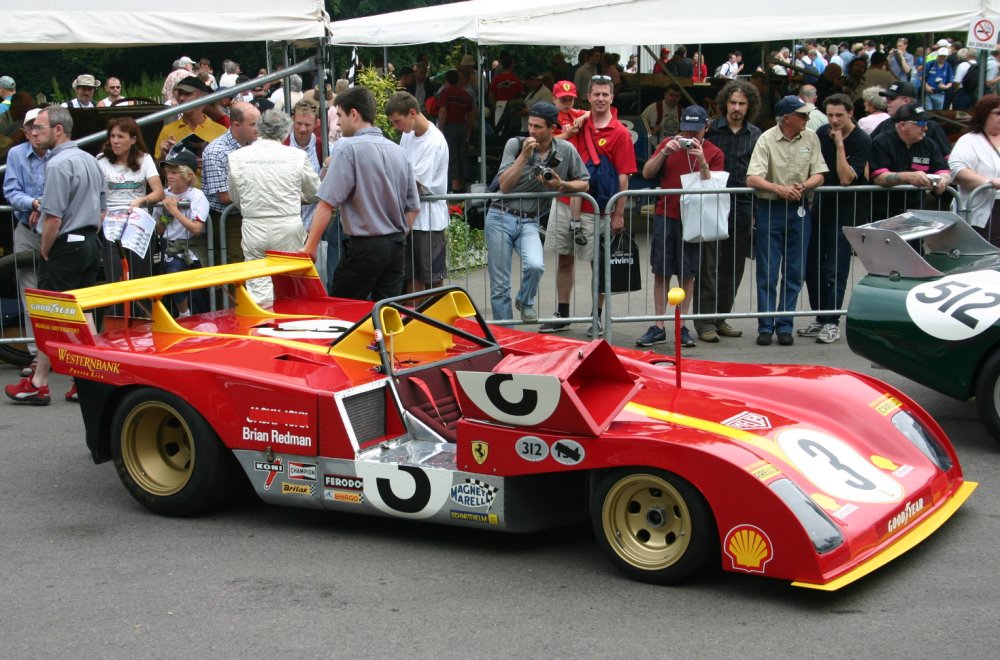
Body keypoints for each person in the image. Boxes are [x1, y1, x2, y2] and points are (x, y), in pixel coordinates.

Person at [5, 107, 104, 406]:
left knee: (49, 316)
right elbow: (102, 208)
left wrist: (46, 248)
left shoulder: (58, 164)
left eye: (41, 127)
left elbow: (52, 218)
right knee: (83, 314)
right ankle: (85, 379)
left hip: (66, 245)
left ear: (58, 130)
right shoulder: (89, 159)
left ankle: (40, 383)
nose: (35, 132)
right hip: (90, 242)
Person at [303, 86, 420, 301]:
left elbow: (327, 203)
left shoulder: (347, 148)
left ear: (354, 114)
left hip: (365, 247)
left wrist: (310, 247)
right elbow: (413, 208)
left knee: (342, 312)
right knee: (387, 317)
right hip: (395, 246)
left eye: (339, 115)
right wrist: (395, 237)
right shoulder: (399, 151)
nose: (337, 122)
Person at [539, 76, 635, 334]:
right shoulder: (576, 124)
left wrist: (619, 213)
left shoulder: (621, 133)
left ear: (612, 97)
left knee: (599, 265)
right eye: (596, 94)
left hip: (598, 208)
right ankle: (562, 313)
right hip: (565, 201)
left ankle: (598, 316)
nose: (601, 98)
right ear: (589, 97)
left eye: (605, 94)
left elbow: (624, 176)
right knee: (564, 259)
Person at [487, 102, 589, 322]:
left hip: (529, 221)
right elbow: (504, 186)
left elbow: (585, 183)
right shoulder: (515, 144)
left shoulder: (565, 150)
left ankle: (525, 301)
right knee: (500, 285)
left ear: (553, 128)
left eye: (538, 127)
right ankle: (506, 337)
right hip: (500, 215)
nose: (531, 130)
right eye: (530, 125)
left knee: (535, 265)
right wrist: (523, 157)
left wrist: (562, 184)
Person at [635, 105, 724, 349]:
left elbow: (714, 188)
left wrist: (702, 161)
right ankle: (659, 325)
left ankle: (682, 325)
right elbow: (647, 172)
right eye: (686, 131)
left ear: (706, 128)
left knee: (688, 273)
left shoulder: (714, 152)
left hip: (693, 218)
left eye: (695, 132)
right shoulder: (668, 145)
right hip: (666, 214)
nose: (690, 137)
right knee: (661, 271)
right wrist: (664, 152)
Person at [746, 95, 828, 346]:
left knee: (795, 270)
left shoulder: (811, 137)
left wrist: (802, 186)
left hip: (799, 207)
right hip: (770, 207)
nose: (806, 118)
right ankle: (765, 324)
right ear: (787, 118)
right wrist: (779, 189)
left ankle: (785, 324)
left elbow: (820, 174)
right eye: (802, 115)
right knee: (768, 270)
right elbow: (752, 178)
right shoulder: (766, 138)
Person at [693, 79, 762, 343]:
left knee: (733, 268)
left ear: (749, 106)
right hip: (712, 204)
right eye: (732, 102)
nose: (736, 108)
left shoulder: (756, 134)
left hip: (742, 207)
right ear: (724, 103)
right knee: (708, 266)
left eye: (741, 103)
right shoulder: (710, 130)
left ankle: (721, 318)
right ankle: (704, 322)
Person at [228, 110, 320, 303]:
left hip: (254, 225)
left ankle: (262, 324)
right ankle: (292, 325)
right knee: (292, 283)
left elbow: (236, 197)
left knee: (258, 285)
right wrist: (297, 198)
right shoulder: (296, 155)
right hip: (287, 224)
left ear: (259, 129)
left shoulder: (237, 157)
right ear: (286, 132)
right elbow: (314, 192)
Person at [800, 93, 871, 344]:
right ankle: (820, 317)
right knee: (813, 266)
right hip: (822, 208)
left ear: (851, 113)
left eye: (839, 115)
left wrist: (840, 144)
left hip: (848, 212)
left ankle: (832, 322)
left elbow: (845, 178)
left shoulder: (862, 140)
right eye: (830, 115)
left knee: (836, 269)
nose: (834, 120)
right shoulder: (821, 133)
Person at [386, 92, 450, 293]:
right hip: (412, 218)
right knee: (411, 278)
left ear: (412, 113)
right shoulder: (407, 135)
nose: (397, 127)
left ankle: (435, 320)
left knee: (431, 279)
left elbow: (415, 183)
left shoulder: (434, 141)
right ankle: (414, 320)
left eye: (398, 121)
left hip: (429, 221)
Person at [3, 108, 50, 373]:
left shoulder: (61, 153)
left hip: (57, 229)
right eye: (29, 127)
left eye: (38, 127)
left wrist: (44, 206)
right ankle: (36, 354)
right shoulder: (16, 153)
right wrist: (33, 203)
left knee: (59, 290)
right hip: (26, 228)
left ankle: (63, 352)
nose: (33, 132)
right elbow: (11, 191)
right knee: (30, 291)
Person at [97, 116, 165, 289]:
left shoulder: (145, 159)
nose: (115, 141)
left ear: (133, 139)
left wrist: (143, 200)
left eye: (121, 137)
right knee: (116, 277)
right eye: (112, 136)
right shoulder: (101, 160)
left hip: (137, 222)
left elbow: (159, 192)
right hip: (111, 224)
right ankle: (119, 315)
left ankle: (142, 314)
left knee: (140, 277)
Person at [201, 101, 260, 264]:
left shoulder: (259, 144)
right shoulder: (216, 151)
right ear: (236, 125)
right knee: (236, 264)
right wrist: (261, 190)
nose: (258, 129)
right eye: (253, 124)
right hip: (226, 219)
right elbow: (225, 196)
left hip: (253, 215)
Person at [153, 148, 210, 317]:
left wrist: (175, 211)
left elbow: (197, 228)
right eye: (168, 172)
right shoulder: (164, 195)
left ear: (188, 175)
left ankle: (200, 322)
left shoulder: (197, 195)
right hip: (171, 247)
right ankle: (184, 313)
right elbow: (159, 229)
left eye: (175, 172)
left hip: (194, 249)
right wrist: (167, 214)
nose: (170, 176)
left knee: (198, 294)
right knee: (173, 274)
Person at [870, 102, 951, 219]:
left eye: (926, 123)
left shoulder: (929, 145)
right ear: (903, 125)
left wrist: (942, 180)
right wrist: (910, 177)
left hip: (917, 213)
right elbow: (879, 177)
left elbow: (944, 171)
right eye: (921, 123)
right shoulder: (882, 142)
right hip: (885, 212)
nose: (926, 128)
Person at [950, 94, 1000, 247]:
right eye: (998, 113)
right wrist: (988, 183)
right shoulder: (969, 140)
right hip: (981, 210)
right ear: (984, 114)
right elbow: (958, 171)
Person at [153, 76, 227, 163]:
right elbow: (157, 173)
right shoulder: (168, 130)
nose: (181, 98)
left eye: (187, 94)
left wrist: (208, 164)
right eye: (180, 94)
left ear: (203, 97)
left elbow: (230, 167)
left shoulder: (221, 131)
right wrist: (162, 156)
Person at [436, 69, 475, 193]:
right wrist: (468, 130)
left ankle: (454, 188)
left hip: (450, 127)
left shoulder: (445, 92)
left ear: (446, 80)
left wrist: (440, 130)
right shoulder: (465, 94)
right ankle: (462, 185)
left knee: (451, 155)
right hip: (462, 127)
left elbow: (443, 111)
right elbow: (471, 114)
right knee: (462, 155)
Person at [286, 101, 322, 232]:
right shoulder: (282, 146)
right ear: (292, 119)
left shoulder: (323, 148)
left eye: (307, 125)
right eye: (299, 123)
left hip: (314, 228)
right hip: (286, 228)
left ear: (316, 123)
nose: (302, 129)